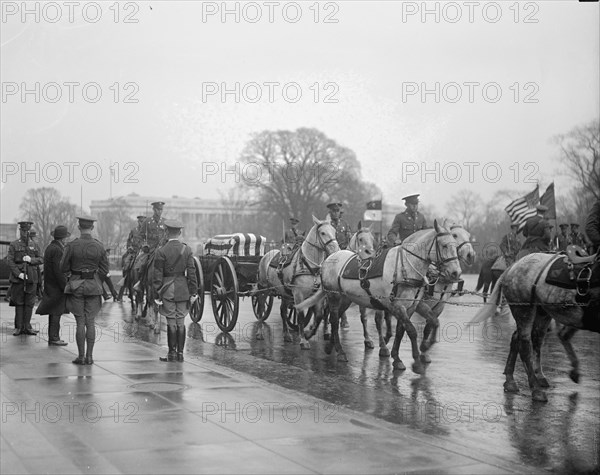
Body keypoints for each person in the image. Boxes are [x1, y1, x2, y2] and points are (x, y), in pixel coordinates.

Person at [61, 216, 109, 365]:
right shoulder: (99, 246)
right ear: (92, 228)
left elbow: (62, 267)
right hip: (93, 286)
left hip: (76, 285)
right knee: (91, 321)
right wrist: (95, 279)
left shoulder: (71, 245)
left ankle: (81, 356)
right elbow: (105, 269)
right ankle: (90, 356)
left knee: (80, 322)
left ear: (79, 227)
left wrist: (73, 275)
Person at [153, 220, 198, 362]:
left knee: (171, 322)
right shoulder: (187, 250)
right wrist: (194, 292)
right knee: (181, 322)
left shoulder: (161, 251)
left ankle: (171, 353)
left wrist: (157, 293)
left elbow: (157, 275)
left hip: (168, 290)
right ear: (179, 232)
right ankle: (180, 354)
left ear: (166, 232)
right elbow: (192, 273)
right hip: (183, 289)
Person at [36, 225, 71, 346]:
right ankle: (54, 337)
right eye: (66, 237)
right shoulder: (57, 250)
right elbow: (59, 271)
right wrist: (65, 286)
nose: (66, 239)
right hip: (56, 286)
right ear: (63, 238)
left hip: (51, 284)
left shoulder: (51, 247)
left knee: (54, 311)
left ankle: (53, 337)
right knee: (56, 312)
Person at [7, 221, 43, 336]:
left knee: (29, 303)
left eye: (27, 231)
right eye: (23, 231)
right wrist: (18, 274)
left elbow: (41, 259)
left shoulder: (34, 245)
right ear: (20, 231)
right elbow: (10, 261)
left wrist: (31, 260)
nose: (25, 233)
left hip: (31, 277)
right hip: (19, 278)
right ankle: (18, 327)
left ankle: (27, 326)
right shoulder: (14, 244)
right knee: (19, 302)